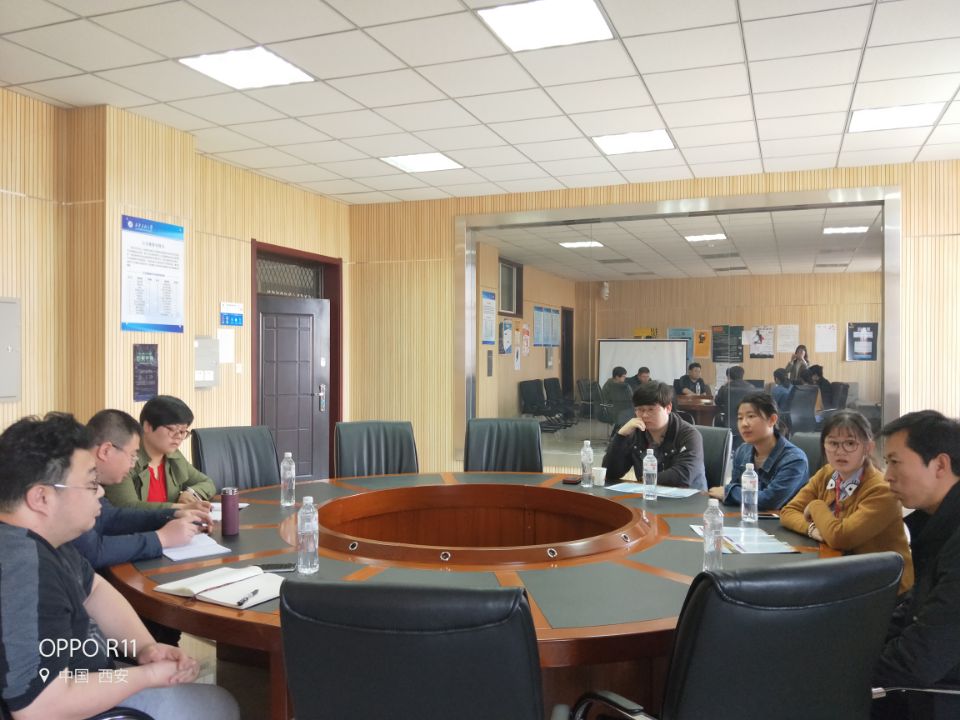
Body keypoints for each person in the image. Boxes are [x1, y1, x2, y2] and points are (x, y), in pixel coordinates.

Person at [0, 413, 239, 720]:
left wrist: (146, 648)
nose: (101, 492)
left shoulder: (45, 541)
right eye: (91, 483)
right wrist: (146, 676)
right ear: (41, 497)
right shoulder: (23, 570)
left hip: (91, 676)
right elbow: (40, 708)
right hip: (73, 702)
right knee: (220, 705)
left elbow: (95, 590)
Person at [872, 411, 960, 720]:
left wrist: (843, 667)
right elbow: (916, 608)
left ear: (940, 465)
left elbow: (921, 658)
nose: (887, 476)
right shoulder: (937, 525)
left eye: (895, 462)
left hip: (940, 695)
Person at [779, 410, 913, 594]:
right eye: (833, 443)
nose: (840, 451)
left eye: (850, 443)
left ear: (868, 447)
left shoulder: (881, 489)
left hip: (882, 587)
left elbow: (841, 537)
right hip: (840, 573)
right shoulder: (827, 473)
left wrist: (816, 506)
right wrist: (812, 529)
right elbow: (788, 511)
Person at [71, 409, 211, 570]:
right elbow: (92, 552)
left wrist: (171, 515)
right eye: (132, 455)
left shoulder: (86, 476)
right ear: (105, 451)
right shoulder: (71, 482)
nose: (133, 464)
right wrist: (161, 538)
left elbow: (111, 517)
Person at [105, 395, 216, 510]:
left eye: (183, 432)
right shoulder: (123, 459)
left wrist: (190, 493)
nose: (178, 437)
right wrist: (180, 508)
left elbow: (207, 482)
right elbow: (128, 507)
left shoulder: (173, 456)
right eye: (172, 429)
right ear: (147, 426)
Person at [708, 393, 808, 510]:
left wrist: (728, 492)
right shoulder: (743, 451)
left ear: (772, 420)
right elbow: (736, 490)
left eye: (751, 416)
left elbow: (769, 501)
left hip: (779, 520)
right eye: (740, 418)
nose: (744, 424)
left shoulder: (794, 459)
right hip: (745, 517)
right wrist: (731, 492)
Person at [602, 381, 707, 490]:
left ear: (668, 408)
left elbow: (684, 475)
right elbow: (611, 473)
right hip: (648, 494)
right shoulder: (635, 432)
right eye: (640, 410)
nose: (644, 415)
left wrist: (645, 480)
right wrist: (621, 436)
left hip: (689, 497)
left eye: (651, 409)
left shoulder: (689, 435)